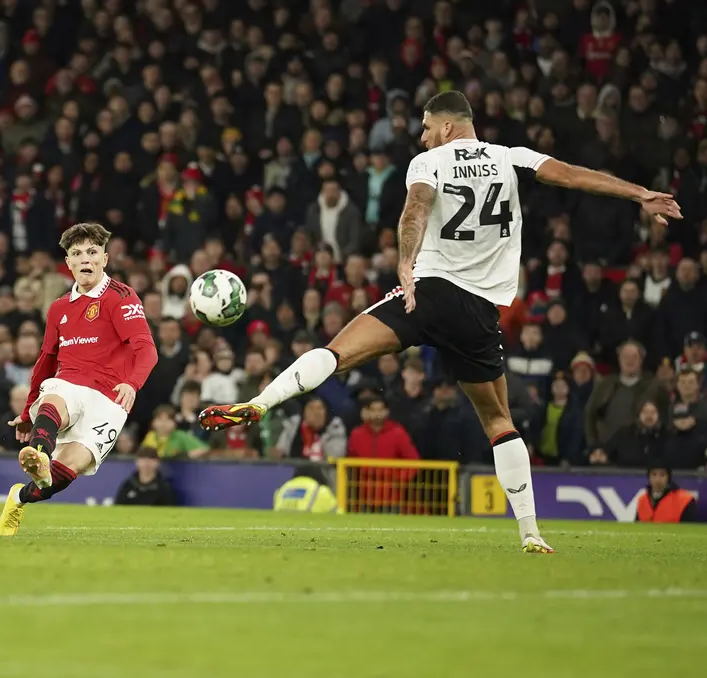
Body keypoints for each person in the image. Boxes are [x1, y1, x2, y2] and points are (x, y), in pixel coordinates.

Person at [200, 91, 682, 554]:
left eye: (428, 128)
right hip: (477, 312)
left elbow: (417, 208)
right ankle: (531, 534)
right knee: (498, 421)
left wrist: (405, 263)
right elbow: (573, 176)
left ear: (448, 125)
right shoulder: (512, 156)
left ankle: (261, 403)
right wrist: (640, 194)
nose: (423, 138)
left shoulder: (429, 163)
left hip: (426, 294)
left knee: (337, 352)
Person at [0, 222, 157, 536]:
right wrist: (30, 411)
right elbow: (45, 362)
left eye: (93, 252)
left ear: (104, 259)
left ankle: (19, 496)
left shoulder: (121, 297)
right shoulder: (58, 308)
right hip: (70, 383)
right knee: (56, 396)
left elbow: (147, 349)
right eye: (77, 253)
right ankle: (39, 455)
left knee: (67, 472)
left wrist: (132, 383)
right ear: (68, 263)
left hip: (110, 400)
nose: (86, 259)